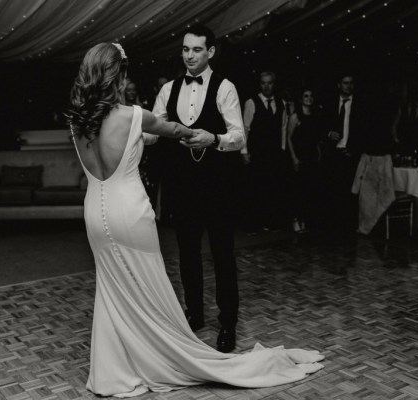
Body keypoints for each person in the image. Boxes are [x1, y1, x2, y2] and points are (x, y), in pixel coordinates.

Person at [67, 42, 324, 397]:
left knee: (112, 290)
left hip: (96, 212)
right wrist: (201, 135)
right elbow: (173, 129)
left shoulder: (77, 121)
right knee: (148, 289)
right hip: (130, 211)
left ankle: (115, 371)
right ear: (118, 74)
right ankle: (162, 357)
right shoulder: (133, 116)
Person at [152, 24, 244, 353]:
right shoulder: (168, 90)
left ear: (211, 52)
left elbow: (239, 136)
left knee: (222, 255)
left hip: (218, 186)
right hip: (183, 186)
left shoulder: (225, 88)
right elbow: (152, 130)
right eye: (185, 49)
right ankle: (194, 315)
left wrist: (215, 138)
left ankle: (228, 323)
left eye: (196, 50)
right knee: (188, 254)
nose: (189, 55)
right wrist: (125, 125)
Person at [319, 73, 369, 239]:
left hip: (350, 154)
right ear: (339, 84)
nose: (349, 86)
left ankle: (347, 228)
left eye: (351, 83)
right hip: (332, 154)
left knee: (350, 193)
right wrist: (327, 133)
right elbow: (319, 125)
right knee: (331, 190)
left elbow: (364, 130)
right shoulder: (329, 103)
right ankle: (331, 226)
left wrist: (354, 149)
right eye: (345, 83)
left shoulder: (360, 105)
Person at [240, 71, 289, 233]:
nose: (266, 86)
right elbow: (245, 129)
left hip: (274, 153)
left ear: (274, 84)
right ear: (259, 84)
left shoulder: (281, 103)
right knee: (255, 189)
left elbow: (283, 128)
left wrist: (282, 149)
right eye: (263, 83)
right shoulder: (251, 102)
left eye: (269, 83)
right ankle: (252, 224)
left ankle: (271, 222)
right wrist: (244, 151)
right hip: (257, 152)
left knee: (272, 188)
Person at [287, 88, 321, 233]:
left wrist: (319, 151)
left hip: (311, 156)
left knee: (309, 189)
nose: (309, 98)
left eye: (311, 96)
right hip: (299, 156)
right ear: (301, 99)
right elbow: (288, 137)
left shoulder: (314, 115)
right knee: (298, 190)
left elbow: (315, 137)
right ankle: (295, 219)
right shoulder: (296, 116)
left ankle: (304, 219)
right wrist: (293, 157)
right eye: (306, 96)